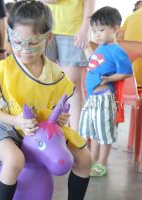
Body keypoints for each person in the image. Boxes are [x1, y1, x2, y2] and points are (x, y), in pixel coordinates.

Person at [0, 1, 108, 200]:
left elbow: (59, 107)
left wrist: (61, 120)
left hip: (42, 129)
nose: (24, 49)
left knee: (84, 159)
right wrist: (16, 121)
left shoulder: (55, 72)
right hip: (7, 127)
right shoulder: (3, 70)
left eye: (32, 43)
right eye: (17, 42)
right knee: (14, 160)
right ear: (10, 36)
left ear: (48, 38)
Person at [79, 7, 132, 177]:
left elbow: (127, 72)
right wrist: (86, 47)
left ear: (115, 29)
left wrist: (109, 79)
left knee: (104, 132)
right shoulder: (101, 49)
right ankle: (93, 159)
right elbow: (94, 65)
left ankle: (102, 163)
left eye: (101, 30)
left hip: (104, 98)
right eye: (94, 31)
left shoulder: (117, 51)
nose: (97, 34)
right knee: (94, 131)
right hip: (92, 98)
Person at [43, 0, 95, 132]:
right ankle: (51, 131)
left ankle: (78, 135)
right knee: (46, 82)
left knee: (72, 85)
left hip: (73, 30)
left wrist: (85, 29)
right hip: (44, 27)